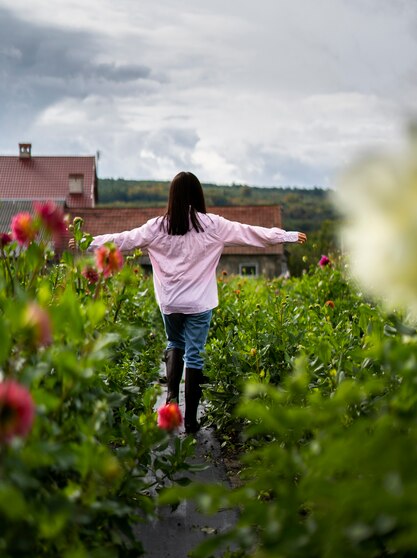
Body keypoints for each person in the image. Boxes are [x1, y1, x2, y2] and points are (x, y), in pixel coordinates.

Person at [69, 172, 307, 433]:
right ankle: (191, 420)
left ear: (172, 197)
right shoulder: (213, 225)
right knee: (195, 352)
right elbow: (251, 233)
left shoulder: (157, 226)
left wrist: (86, 242)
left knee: (174, 343)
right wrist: (287, 235)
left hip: (170, 302)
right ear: (198, 194)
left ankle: (171, 403)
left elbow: (123, 239)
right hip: (199, 303)